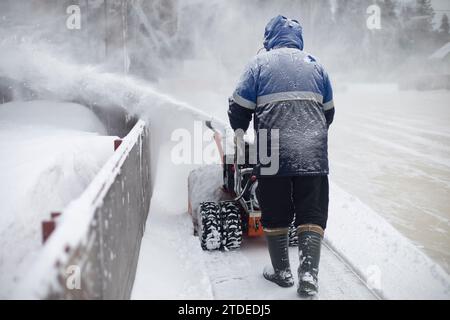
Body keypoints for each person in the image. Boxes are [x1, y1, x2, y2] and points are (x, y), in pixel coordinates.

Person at [228, 15, 335, 297]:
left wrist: (239, 133)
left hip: (272, 151)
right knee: (311, 211)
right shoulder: (316, 65)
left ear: (269, 38)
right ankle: (309, 275)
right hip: (312, 153)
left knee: (275, 210)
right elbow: (329, 114)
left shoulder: (259, 64)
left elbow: (238, 108)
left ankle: (282, 272)